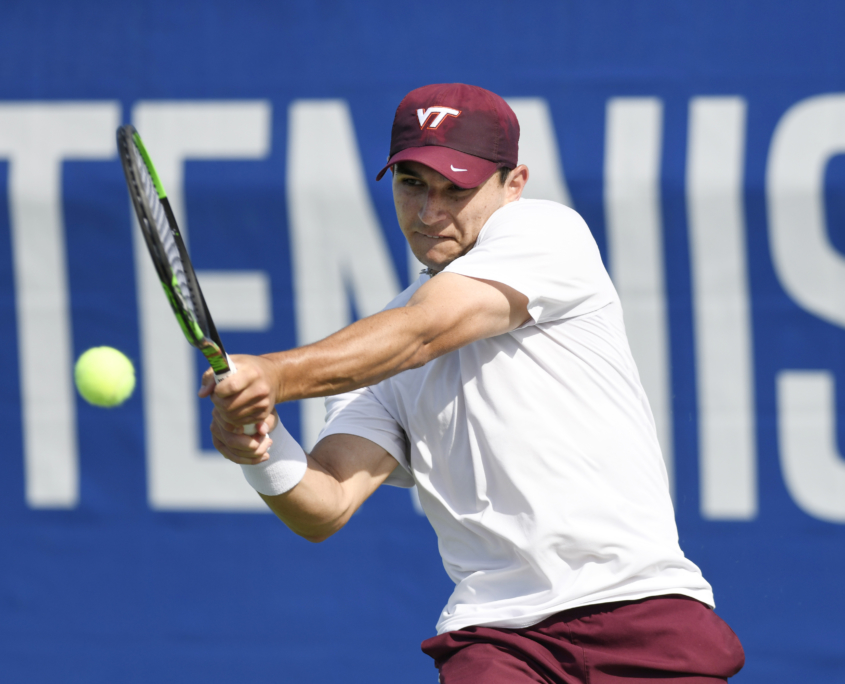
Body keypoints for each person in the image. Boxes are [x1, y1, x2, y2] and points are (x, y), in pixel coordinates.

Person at [200, 83, 745, 683]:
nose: (430, 212)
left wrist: (274, 374)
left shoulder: (547, 235)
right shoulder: (376, 354)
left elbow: (423, 333)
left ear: (514, 185)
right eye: (411, 185)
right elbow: (324, 505)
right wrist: (257, 448)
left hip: (643, 614)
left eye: (456, 189)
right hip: (498, 641)